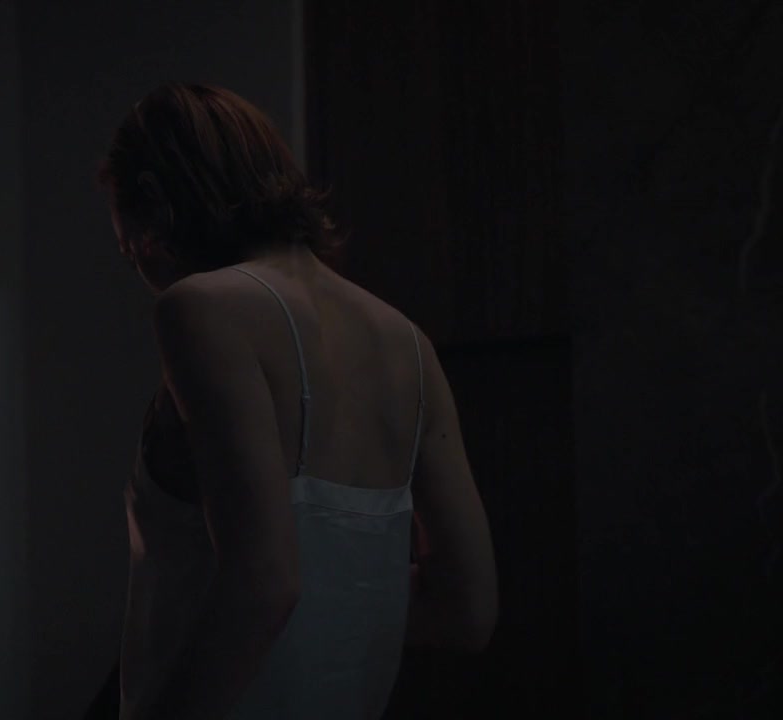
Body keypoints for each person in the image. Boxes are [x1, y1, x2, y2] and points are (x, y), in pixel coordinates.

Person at [97, 84, 498, 720]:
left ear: (157, 207)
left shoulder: (201, 309)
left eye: (131, 251)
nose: (144, 273)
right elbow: (466, 610)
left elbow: (265, 582)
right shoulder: (410, 345)